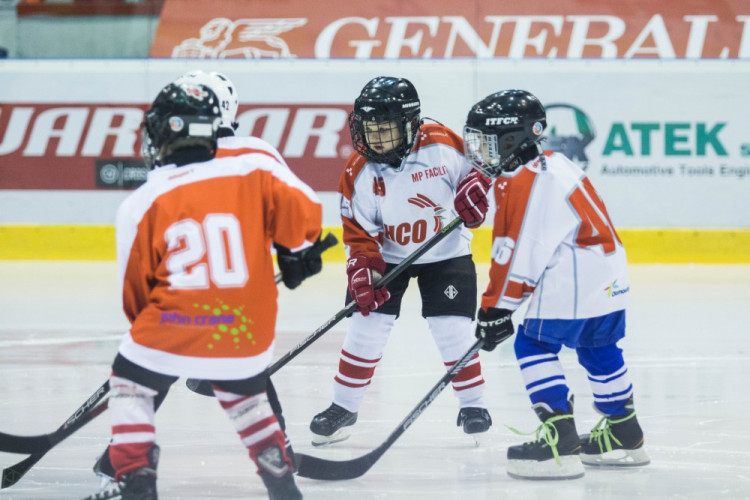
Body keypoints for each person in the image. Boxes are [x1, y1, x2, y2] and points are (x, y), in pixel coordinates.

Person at [93, 70, 329, 492]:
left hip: (175, 325)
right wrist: (295, 252)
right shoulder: (255, 160)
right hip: (246, 327)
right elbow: (303, 209)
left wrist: (151, 327)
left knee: (134, 378)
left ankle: (131, 472)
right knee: (247, 391)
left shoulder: (145, 197)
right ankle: (279, 472)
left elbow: (135, 298)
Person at [463, 89, 650, 480]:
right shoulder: (554, 163)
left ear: (513, 140)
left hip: (577, 277)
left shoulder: (524, 183)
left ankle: (558, 440)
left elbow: (517, 252)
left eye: (487, 143)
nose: (480, 152)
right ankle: (624, 431)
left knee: (532, 344)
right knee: (598, 347)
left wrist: (496, 308)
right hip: (610, 275)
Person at [308, 76, 494, 446]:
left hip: (446, 252)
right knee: (365, 326)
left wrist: (478, 188)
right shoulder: (358, 171)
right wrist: (363, 267)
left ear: (410, 124)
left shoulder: (442, 144)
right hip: (387, 258)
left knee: (451, 327)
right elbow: (359, 233)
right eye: (370, 129)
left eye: (385, 129)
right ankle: (344, 406)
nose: (375, 138)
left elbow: (483, 170)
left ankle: (473, 405)